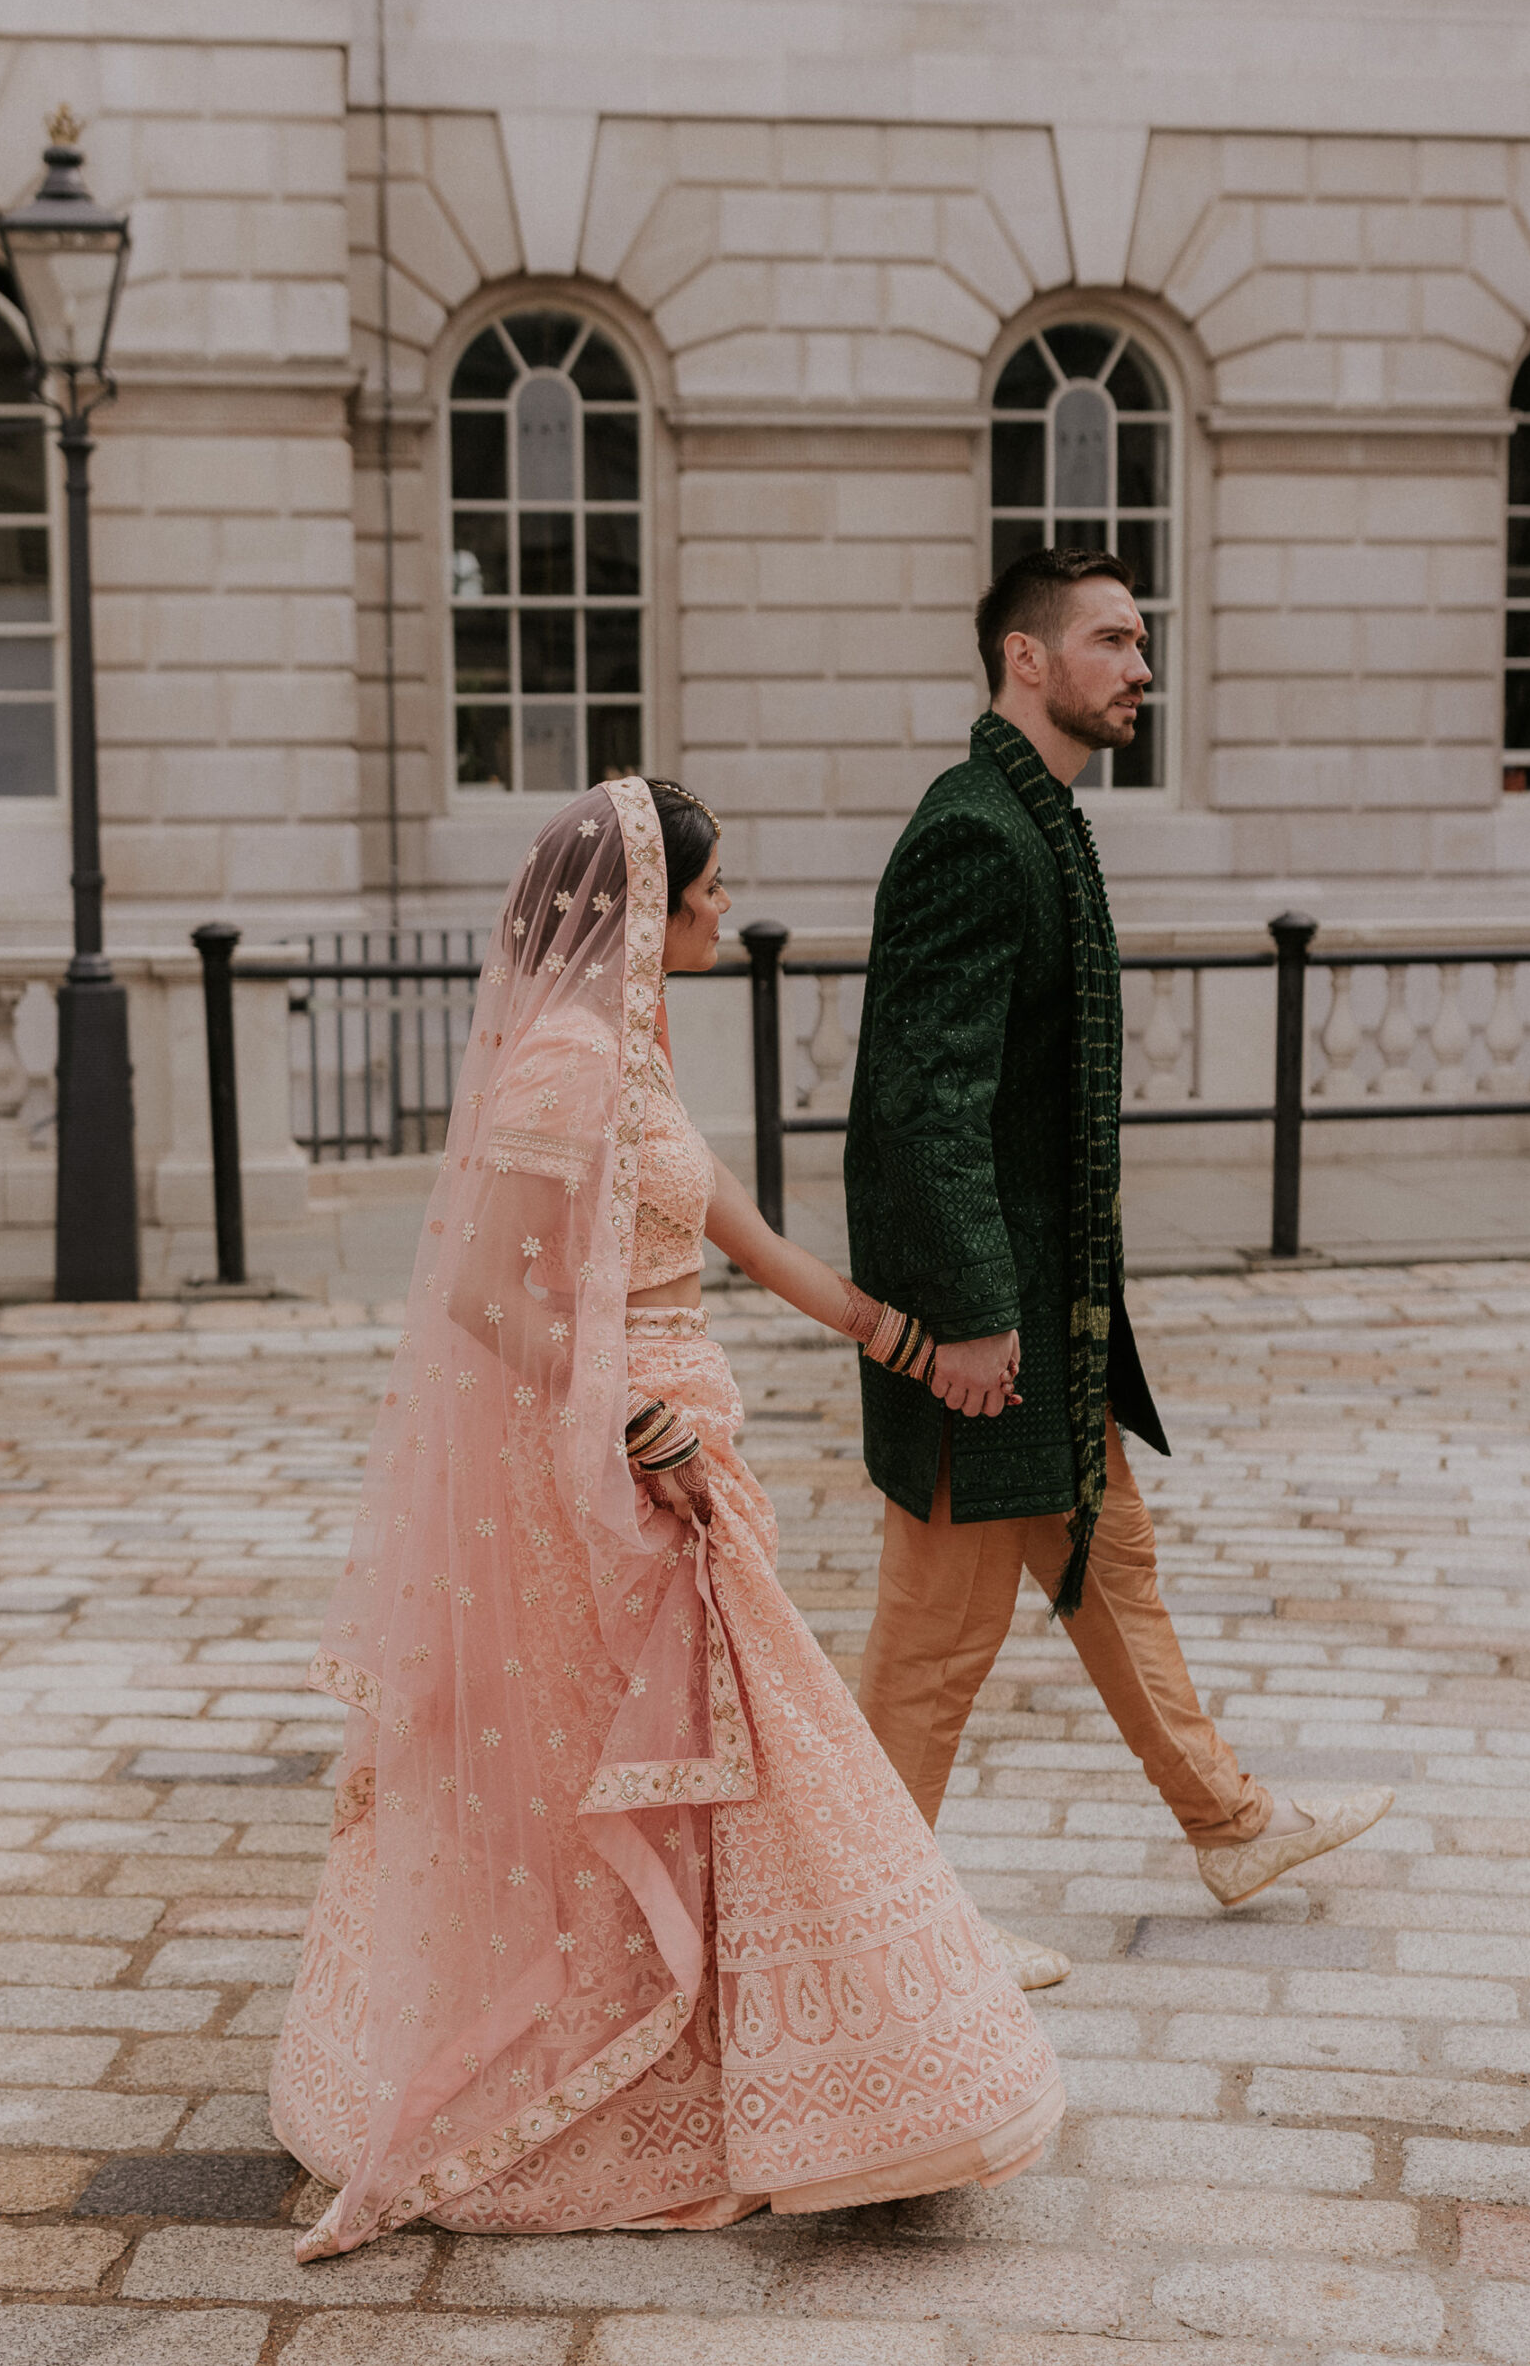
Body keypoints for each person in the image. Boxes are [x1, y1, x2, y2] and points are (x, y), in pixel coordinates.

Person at [271, 775, 1063, 2249]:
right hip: (626, 1474)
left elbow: (741, 1236)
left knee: (697, 1763)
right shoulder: (563, 1067)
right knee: (703, 1753)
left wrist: (907, 1342)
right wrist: (640, 1429)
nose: (719, 909)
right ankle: (765, 2071)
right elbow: (484, 1296)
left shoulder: (628, 1052)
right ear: (648, 904)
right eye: (703, 890)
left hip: (688, 1452)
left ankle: (754, 2064)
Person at [845, 548, 1392, 1980]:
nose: (1141, 664)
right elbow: (924, 1098)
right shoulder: (976, 831)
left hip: (1047, 1328)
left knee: (1111, 1559)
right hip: (987, 1335)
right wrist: (968, 1316)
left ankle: (1229, 1819)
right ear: (1028, 659)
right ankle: (866, 1927)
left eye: (1143, 640)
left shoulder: (1042, 820)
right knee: (932, 1644)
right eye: (1114, 639)